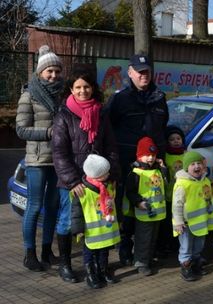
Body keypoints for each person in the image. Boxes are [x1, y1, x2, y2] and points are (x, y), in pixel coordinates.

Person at [52, 68, 119, 283]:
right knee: (67, 223)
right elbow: (59, 152)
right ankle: (66, 265)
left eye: (87, 86)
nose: (83, 91)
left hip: (99, 181)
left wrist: (111, 173)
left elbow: (111, 146)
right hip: (74, 183)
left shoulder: (101, 112)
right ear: (71, 89)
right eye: (78, 87)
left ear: (93, 88)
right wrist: (72, 181)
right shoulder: (63, 115)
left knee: (100, 224)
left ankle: (100, 267)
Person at [105, 54, 169, 266]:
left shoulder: (159, 97)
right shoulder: (120, 99)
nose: (144, 75)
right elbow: (108, 128)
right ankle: (125, 249)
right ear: (130, 72)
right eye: (140, 72)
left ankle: (148, 250)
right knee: (128, 208)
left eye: (147, 72)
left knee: (151, 205)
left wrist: (160, 157)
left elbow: (163, 127)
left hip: (153, 165)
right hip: (127, 165)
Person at [16, 45, 63, 272]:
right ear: (40, 72)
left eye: (56, 71)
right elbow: (21, 130)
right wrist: (47, 133)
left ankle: (47, 250)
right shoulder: (29, 94)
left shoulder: (63, 94)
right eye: (49, 71)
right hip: (37, 160)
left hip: (58, 159)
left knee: (52, 206)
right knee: (34, 206)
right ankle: (29, 254)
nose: (53, 75)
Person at [71, 154, 120, 289]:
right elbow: (76, 213)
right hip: (91, 232)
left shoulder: (108, 186)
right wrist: (78, 230)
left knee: (104, 251)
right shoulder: (83, 192)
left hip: (105, 229)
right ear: (95, 175)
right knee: (90, 253)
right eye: (105, 173)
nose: (108, 174)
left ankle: (103, 270)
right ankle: (91, 274)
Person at [124, 137, 168, 276]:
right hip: (144, 212)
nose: (150, 158)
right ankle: (141, 262)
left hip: (157, 212)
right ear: (139, 155)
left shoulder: (157, 170)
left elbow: (166, 182)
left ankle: (148, 259)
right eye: (147, 155)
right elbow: (130, 192)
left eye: (153, 155)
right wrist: (138, 202)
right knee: (143, 239)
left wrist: (163, 167)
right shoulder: (136, 173)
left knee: (153, 238)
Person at [172, 151, 213, 281]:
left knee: (198, 246)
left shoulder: (205, 180)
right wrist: (178, 222)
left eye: (198, 163)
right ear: (187, 167)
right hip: (185, 224)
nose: (196, 166)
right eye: (192, 164)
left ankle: (196, 264)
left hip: (201, 222)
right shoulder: (182, 184)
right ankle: (186, 267)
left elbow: (209, 200)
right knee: (186, 247)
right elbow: (177, 205)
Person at [158, 126, 185, 256]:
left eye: (178, 138)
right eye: (172, 139)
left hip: (182, 196)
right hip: (169, 195)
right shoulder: (166, 156)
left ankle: (177, 244)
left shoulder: (186, 154)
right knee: (168, 222)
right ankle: (167, 244)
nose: (176, 141)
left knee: (180, 220)